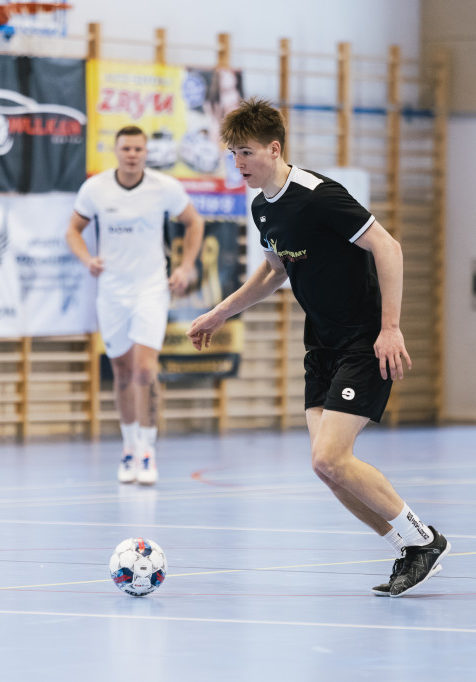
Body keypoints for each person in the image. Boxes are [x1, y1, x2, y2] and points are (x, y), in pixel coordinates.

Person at [186, 98, 449, 596]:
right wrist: (219, 313)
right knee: (327, 470)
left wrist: (390, 328)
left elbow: (388, 246)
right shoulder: (262, 207)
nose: (238, 163)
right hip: (321, 345)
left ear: (274, 148)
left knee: (331, 458)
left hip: (363, 342)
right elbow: (274, 273)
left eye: (246, 152)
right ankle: (408, 547)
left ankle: (424, 541)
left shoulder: (318, 195)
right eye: (232, 154)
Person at [67, 125, 204, 485]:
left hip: (150, 288)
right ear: (116, 151)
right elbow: (72, 230)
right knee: (123, 372)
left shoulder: (164, 187)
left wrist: (186, 266)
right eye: (126, 148)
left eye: (138, 149)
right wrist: (87, 259)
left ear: (146, 153)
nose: (132, 154)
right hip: (112, 291)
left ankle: (147, 449)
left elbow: (194, 222)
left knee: (145, 371)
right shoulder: (95, 189)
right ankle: (129, 447)